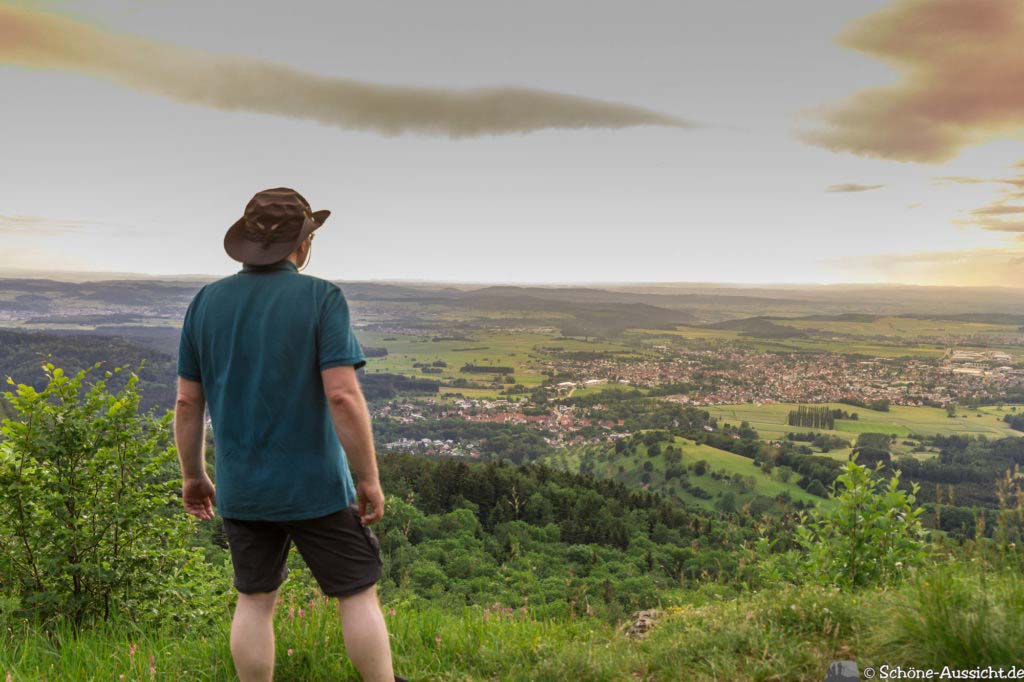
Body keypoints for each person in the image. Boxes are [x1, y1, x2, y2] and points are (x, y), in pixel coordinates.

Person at [173, 187, 404, 682]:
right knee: (357, 592)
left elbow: (188, 401)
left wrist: (194, 475)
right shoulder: (322, 297)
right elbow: (342, 396)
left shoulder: (206, 303)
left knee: (254, 600)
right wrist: (369, 479)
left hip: (242, 487)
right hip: (316, 485)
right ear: (303, 244)